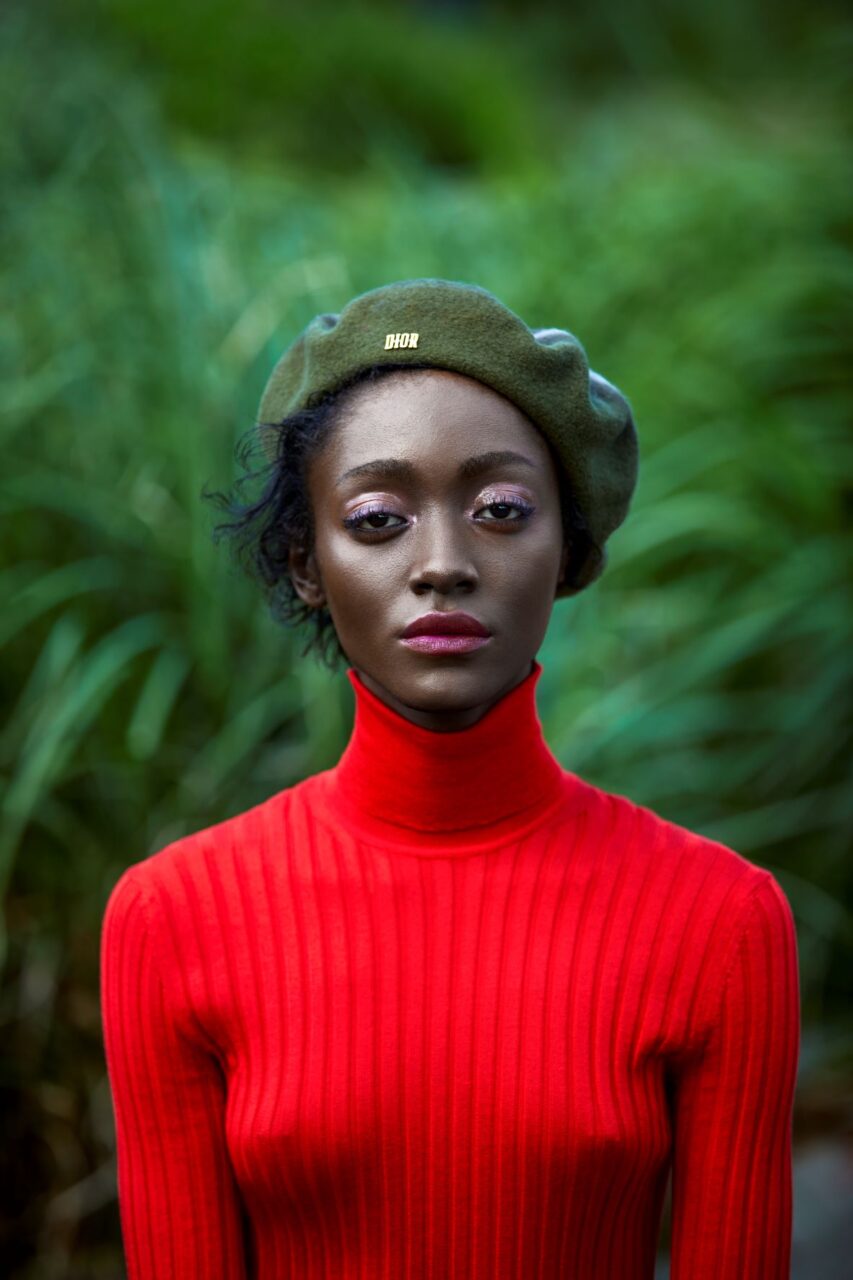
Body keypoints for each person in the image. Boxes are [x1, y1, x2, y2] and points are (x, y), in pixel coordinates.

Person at [100, 278, 800, 1279]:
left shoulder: (719, 923)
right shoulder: (172, 918)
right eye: (379, 516)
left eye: (501, 508)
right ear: (306, 562)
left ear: (566, 547)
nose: (444, 563)